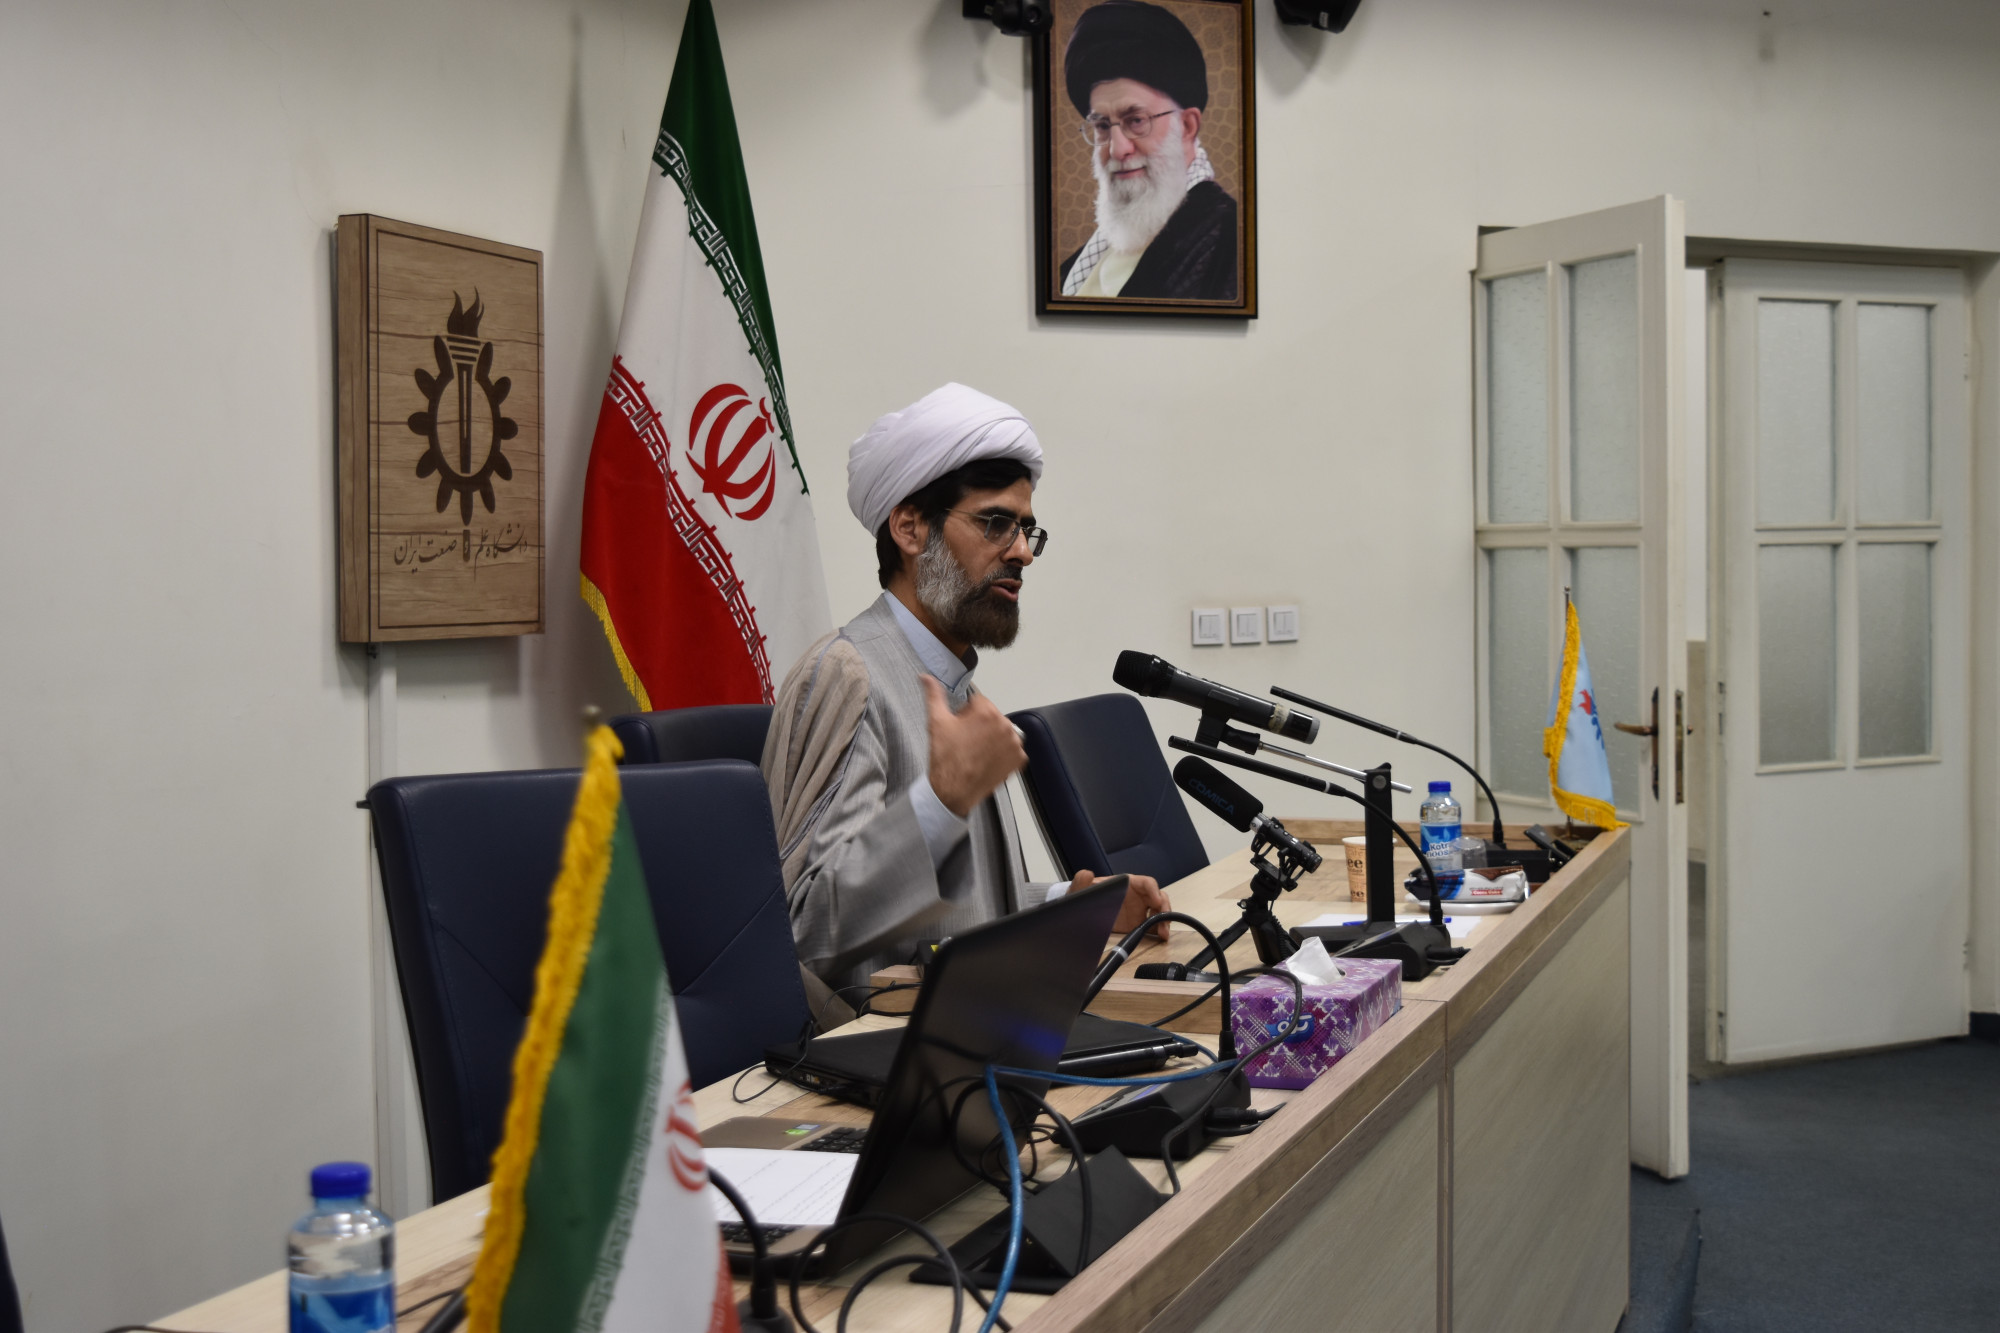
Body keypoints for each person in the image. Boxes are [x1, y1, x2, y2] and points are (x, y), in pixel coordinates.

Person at [762, 383, 1171, 1002]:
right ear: (910, 529)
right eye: (995, 523)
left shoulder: (953, 682)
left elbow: (952, 913)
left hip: (979, 1023)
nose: (1022, 553)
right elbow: (802, 930)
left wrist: (1070, 902)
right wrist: (941, 801)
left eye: (1027, 530)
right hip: (884, 1046)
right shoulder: (849, 675)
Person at [1058, 0, 1238, 302]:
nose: (1118, 149)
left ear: (1187, 126)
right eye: (1102, 126)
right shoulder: (1084, 260)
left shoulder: (1227, 239)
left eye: (1136, 121)